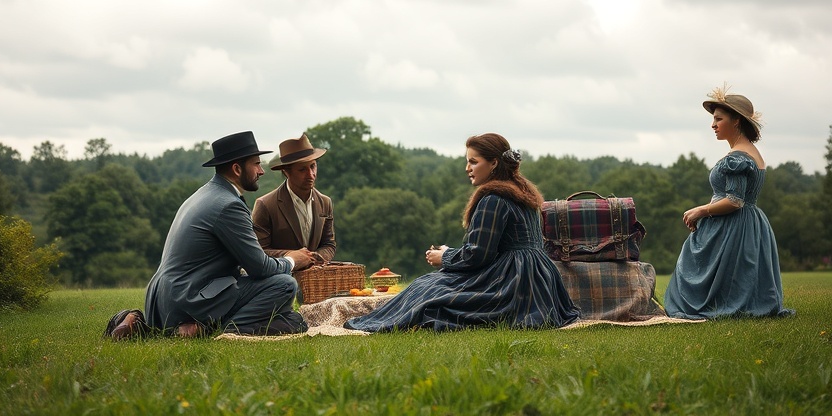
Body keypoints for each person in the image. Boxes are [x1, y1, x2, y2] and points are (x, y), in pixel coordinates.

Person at [344, 133, 579, 332]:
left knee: (428, 288)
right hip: (539, 284)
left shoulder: (494, 199)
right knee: (432, 285)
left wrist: (443, 257)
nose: (467, 168)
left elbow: (478, 255)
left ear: (494, 163)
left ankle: (377, 323)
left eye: (473, 161)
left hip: (511, 284)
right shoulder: (523, 195)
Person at [141, 131, 308, 337]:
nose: (261, 171)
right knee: (284, 285)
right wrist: (292, 260)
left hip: (161, 300)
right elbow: (260, 268)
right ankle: (214, 328)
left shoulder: (202, 195)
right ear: (237, 169)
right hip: (187, 300)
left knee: (293, 321)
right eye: (256, 164)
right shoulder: (228, 205)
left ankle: (192, 326)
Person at [663, 85, 794, 319]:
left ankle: (713, 308)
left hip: (735, 224)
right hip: (748, 224)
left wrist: (701, 210)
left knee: (695, 266)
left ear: (736, 121)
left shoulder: (738, 157)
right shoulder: (748, 152)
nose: (713, 125)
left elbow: (735, 200)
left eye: (718, 119)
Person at [252, 133, 336, 271]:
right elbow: (258, 252)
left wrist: (316, 259)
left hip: (316, 281)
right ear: (286, 172)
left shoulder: (325, 202)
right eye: (302, 169)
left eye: (313, 166)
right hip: (281, 281)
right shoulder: (265, 205)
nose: (311, 174)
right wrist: (293, 257)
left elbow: (329, 244)